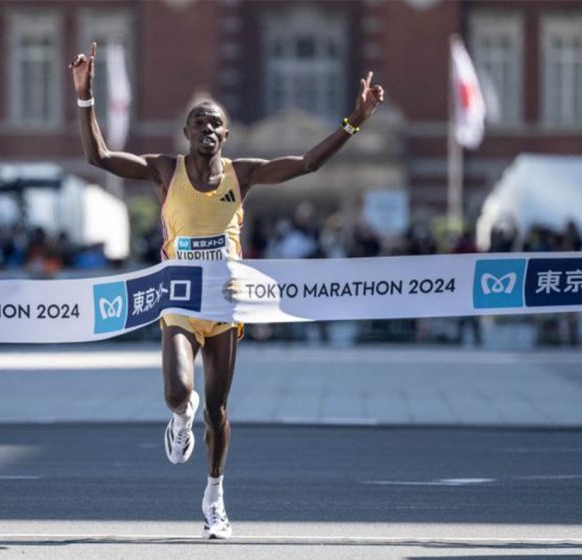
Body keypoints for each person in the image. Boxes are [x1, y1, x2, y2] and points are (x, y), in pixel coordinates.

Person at [70, 42, 384, 539]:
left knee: (217, 411)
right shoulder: (164, 170)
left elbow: (307, 164)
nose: (209, 129)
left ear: (227, 134)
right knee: (179, 392)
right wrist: (86, 98)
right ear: (187, 132)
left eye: (216, 123)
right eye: (200, 122)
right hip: (177, 302)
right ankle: (179, 416)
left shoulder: (245, 174)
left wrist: (354, 121)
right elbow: (101, 156)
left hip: (224, 304)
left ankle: (214, 495)